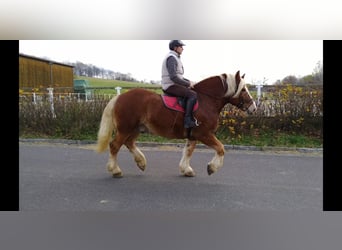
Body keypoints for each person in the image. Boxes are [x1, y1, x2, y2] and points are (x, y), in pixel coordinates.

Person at [161, 40, 198, 129]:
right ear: (175, 48)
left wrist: (190, 82)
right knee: (193, 95)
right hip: (170, 85)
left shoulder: (176, 57)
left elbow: (179, 76)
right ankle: (187, 120)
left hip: (174, 84)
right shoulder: (171, 58)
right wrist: (187, 84)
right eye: (181, 46)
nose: (183, 49)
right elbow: (174, 77)